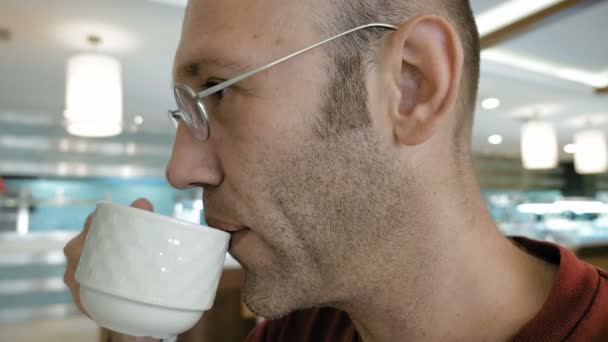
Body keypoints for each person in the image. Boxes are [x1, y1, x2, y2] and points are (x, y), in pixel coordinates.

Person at [64, 0, 608, 341]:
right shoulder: (297, 331)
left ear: (411, 87)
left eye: (220, 92)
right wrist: (137, 328)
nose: (180, 169)